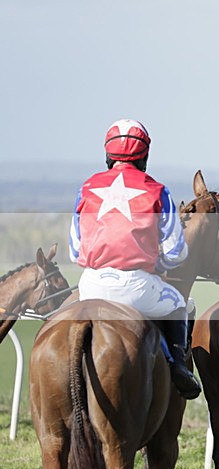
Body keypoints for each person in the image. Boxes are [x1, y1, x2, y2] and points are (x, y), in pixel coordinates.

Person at [68, 119, 201, 399]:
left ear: (107, 154)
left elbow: (74, 249)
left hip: (90, 285)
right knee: (180, 303)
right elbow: (176, 252)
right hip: (136, 287)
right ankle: (179, 367)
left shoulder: (87, 188)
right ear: (145, 156)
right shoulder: (157, 190)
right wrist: (156, 264)